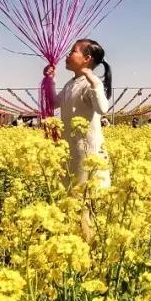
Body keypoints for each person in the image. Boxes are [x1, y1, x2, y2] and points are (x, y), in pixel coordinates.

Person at [56, 38, 113, 199]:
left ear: (87, 59)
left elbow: (102, 108)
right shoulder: (69, 84)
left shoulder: (91, 84)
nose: (68, 54)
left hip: (88, 153)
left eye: (73, 51)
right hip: (70, 149)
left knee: (88, 196)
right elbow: (53, 103)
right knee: (72, 196)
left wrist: (93, 80)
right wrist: (49, 80)